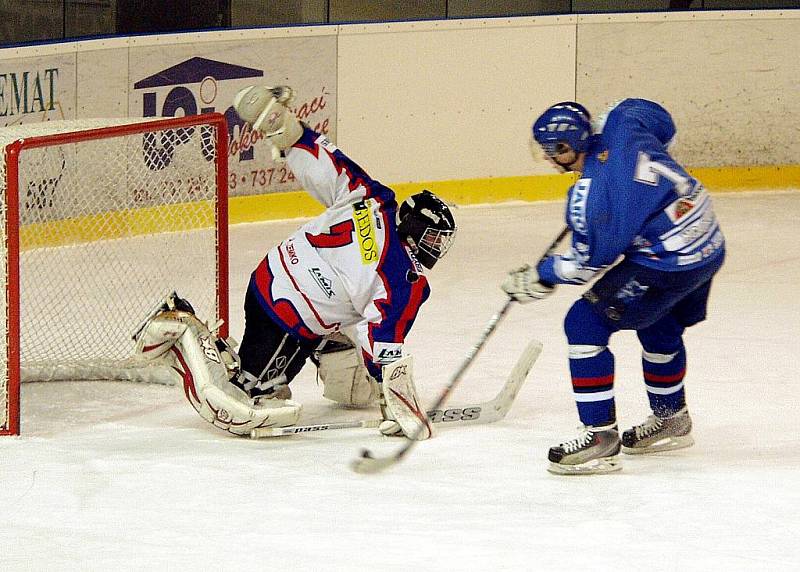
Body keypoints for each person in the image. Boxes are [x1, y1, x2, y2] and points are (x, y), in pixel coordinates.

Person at [134, 85, 457, 440]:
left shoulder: (374, 199)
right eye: (433, 238)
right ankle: (184, 330)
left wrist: (288, 131)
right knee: (250, 397)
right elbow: (380, 337)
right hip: (285, 316)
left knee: (355, 390)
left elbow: (326, 167)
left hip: (269, 280)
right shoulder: (405, 281)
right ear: (412, 229)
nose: (437, 248)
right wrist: (397, 401)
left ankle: (321, 348)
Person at [502, 99, 725, 475]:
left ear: (565, 149)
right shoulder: (624, 120)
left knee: (584, 323)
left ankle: (599, 437)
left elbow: (588, 263)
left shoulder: (593, 198)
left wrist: (542, 276)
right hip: (707, 242)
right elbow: (662, 123)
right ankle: (672, 417)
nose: (547, 158)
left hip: (668, 263)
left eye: (548, 150)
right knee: (659, 323)